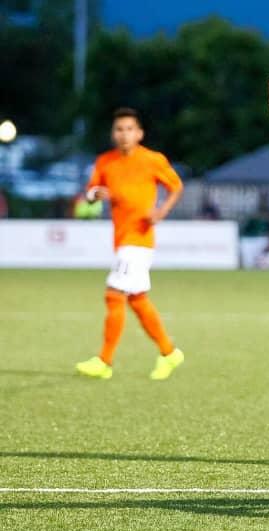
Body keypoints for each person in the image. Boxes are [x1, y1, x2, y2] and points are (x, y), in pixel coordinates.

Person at [74, 107, 185, 381]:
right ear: (113, 134)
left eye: (129, 129)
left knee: (114, 294)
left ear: (139, 133)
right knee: (136, 299)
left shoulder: (152, 159)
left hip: (139, 238)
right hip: (122, 238)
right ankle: (169, 353)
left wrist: (161, 211)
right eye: (119, 129)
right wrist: (93, 195)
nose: (124, 134)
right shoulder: (105, 161)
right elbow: (90, 192)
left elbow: (176, 186)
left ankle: (104, 361)